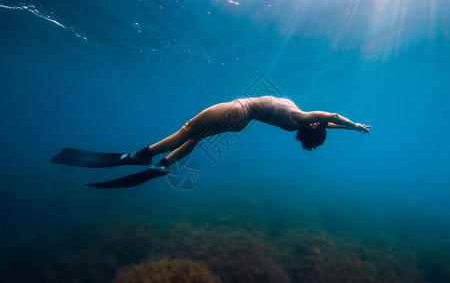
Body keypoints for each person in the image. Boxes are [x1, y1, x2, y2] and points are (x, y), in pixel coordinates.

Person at [51, 96, 370, 188]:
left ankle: (139, 155)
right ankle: (164, 166)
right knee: (197, 137)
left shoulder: (303, 117)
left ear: (314, 125)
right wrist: (351, 131)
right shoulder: (299, 127)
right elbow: (330, 124)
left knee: (187, 129)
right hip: (242, 123)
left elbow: (333, 115)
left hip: (239, 110)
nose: (322, 123)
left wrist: (353, 125)